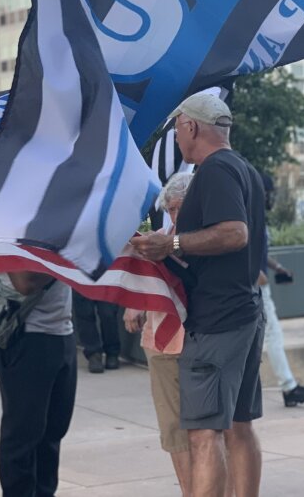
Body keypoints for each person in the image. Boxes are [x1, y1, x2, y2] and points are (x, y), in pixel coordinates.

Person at [131, 91, 265, 497]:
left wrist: (171, 244)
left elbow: (235, 233)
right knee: (239, 425)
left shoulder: (215, 170)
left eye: (176, 130)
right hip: (244, 313)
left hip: (217, 323)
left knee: (204, 434)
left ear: (190, 126)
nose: (175, 138)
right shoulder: (244, 168)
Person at [125, 173, 192, 497]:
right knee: (173, 428)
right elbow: (142, 280)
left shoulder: (205, 242)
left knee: (210, 429)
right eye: (172, 209)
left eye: (180, 207)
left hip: (199, 342)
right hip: (162, 343)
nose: (175, 215)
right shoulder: (159, 240)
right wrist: (133, 305)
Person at [0, 271, 76, 497]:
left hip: (61, 330)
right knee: (22, 434)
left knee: (53, 431)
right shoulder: (13, 240)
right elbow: (24, 283)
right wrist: (66, 261)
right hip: (26, 336)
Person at [258, 172, 304, 407]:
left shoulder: (255, 215)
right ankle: (289, 387)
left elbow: (259, 251)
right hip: (257, 287)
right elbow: (244, 248)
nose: (271, 198)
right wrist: (257, 275)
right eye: (268, 193)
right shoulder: (251, 215)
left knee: (265, 336)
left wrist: (277, 267)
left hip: (259, 283)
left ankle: (288, 386)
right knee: (272, 335)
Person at [72, 291, 121, 373]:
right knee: (85, 313)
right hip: (83, 283)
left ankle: (112, 352)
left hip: (106, 283)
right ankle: (93, 354)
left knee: (108, 313)